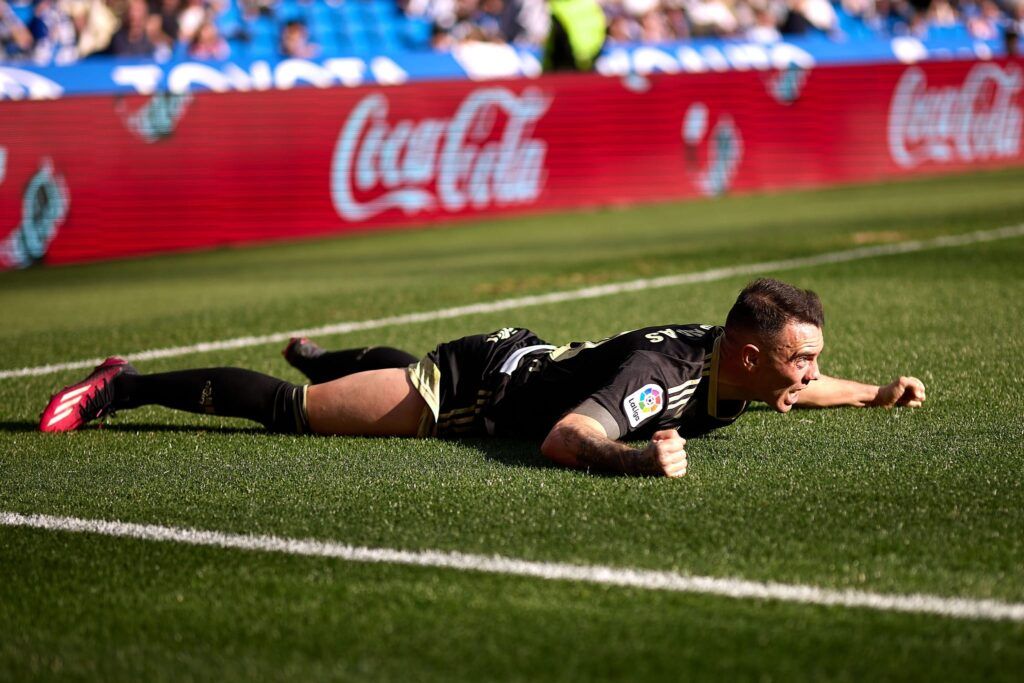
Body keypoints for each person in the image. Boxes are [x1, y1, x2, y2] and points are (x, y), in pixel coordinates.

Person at [39, 278, 926, 477]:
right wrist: (636, 460)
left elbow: (793, 389)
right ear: (742, 352)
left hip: (529, 355)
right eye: (798, 355)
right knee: (293, 412)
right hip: (480, 388)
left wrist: (872, 392)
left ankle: (334, 356)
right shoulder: (665, 375)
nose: (807, 372)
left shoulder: (735, 368)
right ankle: (121, 384)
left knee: (362, 383)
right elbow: (565, 438)